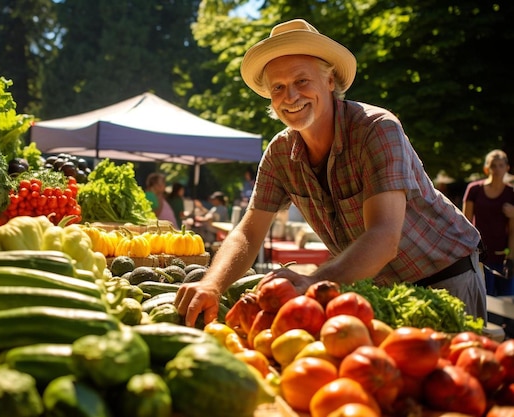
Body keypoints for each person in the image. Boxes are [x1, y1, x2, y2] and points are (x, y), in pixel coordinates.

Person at [174, 18, 487, 327]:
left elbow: (384, 237)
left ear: (330, 81)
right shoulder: (280, 152)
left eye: (301, 81)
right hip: (378, 291)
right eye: (278, 87)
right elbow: (248, 232)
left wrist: (310, 280)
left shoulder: (376, 129)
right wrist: (211, 283)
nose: (291, 96)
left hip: (446, 278)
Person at [462, 150, 514, 297]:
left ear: (507, 168)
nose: (497, 169)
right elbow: (465, 224)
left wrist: (511, 258)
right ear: (486, 169)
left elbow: (512, 230)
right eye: (493, 166)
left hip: (503, 256)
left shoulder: (511, 193)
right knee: (484, 300)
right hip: (480, 257)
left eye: (501, 165)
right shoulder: (474, 190)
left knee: (507, 303)